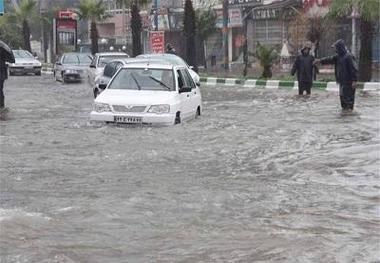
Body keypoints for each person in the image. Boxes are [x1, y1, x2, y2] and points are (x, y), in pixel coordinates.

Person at [315, 39, 358, 111]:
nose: (335, 50)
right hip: (341, 82)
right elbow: (329, 59)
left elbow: (353, 69)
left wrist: (354, 80)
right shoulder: (338, 57)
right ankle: (345, 115)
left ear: (340, 47)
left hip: (348, 83)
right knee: (343, 100)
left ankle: (349, 116)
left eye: (336, 48)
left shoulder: (349, 57)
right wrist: (319, 61)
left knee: (348, 101)